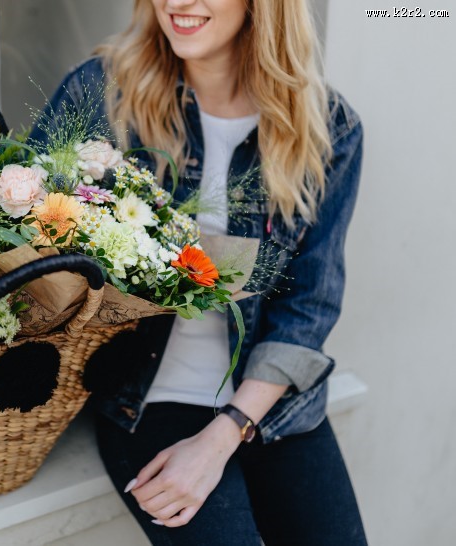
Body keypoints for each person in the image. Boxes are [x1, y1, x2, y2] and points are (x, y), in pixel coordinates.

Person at [30, 1, 367, 544]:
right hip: (143, 396)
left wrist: (224, 434)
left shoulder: (328, 127)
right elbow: (18, 222)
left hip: (270, 401)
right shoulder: (104, 92)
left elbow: (309, 305)